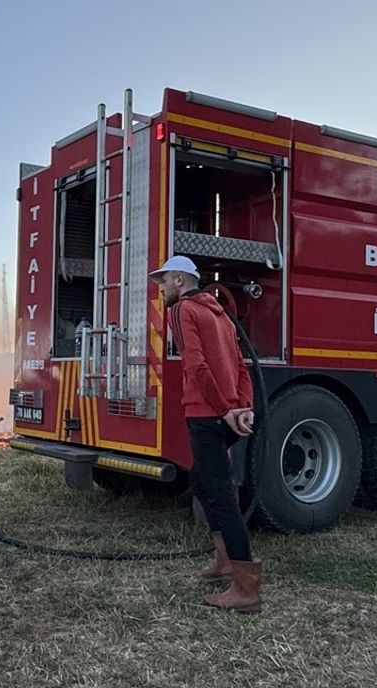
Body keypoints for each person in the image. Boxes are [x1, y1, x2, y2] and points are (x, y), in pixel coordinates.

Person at [150, 255, 261, 614]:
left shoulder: (182, 310)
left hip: (206, 415)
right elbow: (241, 365)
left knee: (221, 496)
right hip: (223, 415)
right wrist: (243, 407)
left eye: (164, 280)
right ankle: (224, 562)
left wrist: (226, 410)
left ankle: (246, 590)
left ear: (180, 280)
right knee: (200, 480)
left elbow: (195, 365)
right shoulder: (220, 314)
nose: (161, 288)